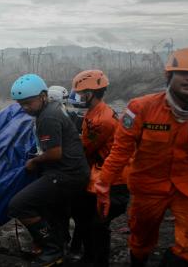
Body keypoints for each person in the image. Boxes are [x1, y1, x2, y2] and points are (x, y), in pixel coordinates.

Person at [96, 48, 188, 266]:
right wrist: (103, 184)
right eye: (183, 72)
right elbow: (120, 151)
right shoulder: (141, 108)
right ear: (169, 76)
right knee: (141, 240)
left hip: (186, 185)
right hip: (147, 186)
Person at [7, 74, 90, 266]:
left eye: (28, 103)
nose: (25, 108)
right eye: (21, 104)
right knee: (55, 212)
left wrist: (34, 162)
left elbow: (54, 154)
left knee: (19, 205)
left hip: (65, 174)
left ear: (43, 95)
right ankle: (59, 248)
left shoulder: (48, 117)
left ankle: (50, 248)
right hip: (73, 171)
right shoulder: (50, 110)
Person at [70, 70, 129, 267]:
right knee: (84, 218)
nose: (77, 97)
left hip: (114, 181)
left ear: (89, 93)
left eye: (79, 93)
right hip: (100, 174)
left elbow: (85, 149)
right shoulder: (95, 112)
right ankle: (88, 257)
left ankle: (99, 262)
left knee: (97, 226)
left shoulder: (100, 120)